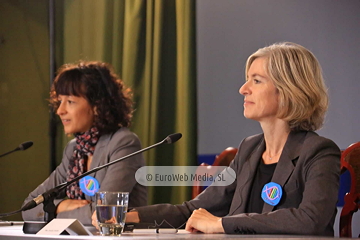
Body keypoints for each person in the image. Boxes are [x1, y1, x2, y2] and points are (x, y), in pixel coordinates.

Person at [92, 42, 340, 236]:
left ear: (288, 90)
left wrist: (222, 224)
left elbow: (311, 219)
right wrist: (126, 215)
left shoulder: (318, 151)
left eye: (256, 80)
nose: (243, 89)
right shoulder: (250, 149)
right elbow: (193, 210)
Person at [22, 61, 147, 225]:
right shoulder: (75, 149)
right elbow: (29, 207)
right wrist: (60, 206)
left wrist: (52, 214)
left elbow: (103, 214)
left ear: (97, 106)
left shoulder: (123, 143)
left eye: (70, 102)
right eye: (59, 101)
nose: (60, 110)